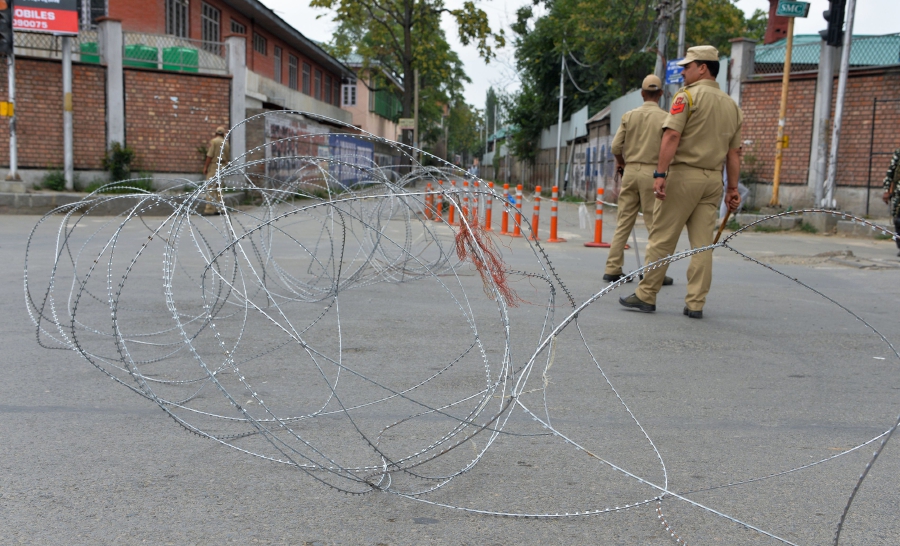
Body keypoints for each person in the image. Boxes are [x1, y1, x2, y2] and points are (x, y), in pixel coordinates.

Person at [619, 45, 743, 319]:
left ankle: (646, 295)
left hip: (683, 176)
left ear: (703, 68)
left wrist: (660, 175)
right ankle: (696, 303)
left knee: (662, 238)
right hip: (712, 181)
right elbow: (734, 153)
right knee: (703, 244)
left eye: (687, 66)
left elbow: (671, 137)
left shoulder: (686, 98)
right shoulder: (731, 105)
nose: (683, 71)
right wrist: (732, 189)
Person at [603, 74, 672, 287]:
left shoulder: (629, 116)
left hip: (631, 171)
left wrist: (621, 163)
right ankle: (653, 273)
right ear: (661, 94)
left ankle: (612, 269)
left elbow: (615, 147)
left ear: (642, 94)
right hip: (654, 173)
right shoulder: (666, 118)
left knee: (624, 221)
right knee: (655, 224)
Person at [202, 126, 230, 215]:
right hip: (223, 166)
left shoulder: (214, 142)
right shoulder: (226, 143)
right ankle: (220, 208)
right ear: (223, 134)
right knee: (219, 188)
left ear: (216, 133)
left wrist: (205, 167)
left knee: (210, 187)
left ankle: (209, 209)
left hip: (215, 165)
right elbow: (227, 157)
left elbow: (210, 155)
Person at [882, 148, 900, 256]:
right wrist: (887, 190)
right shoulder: (898, 153)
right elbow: (890, 172)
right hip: (898, 194)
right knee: (898, 221)